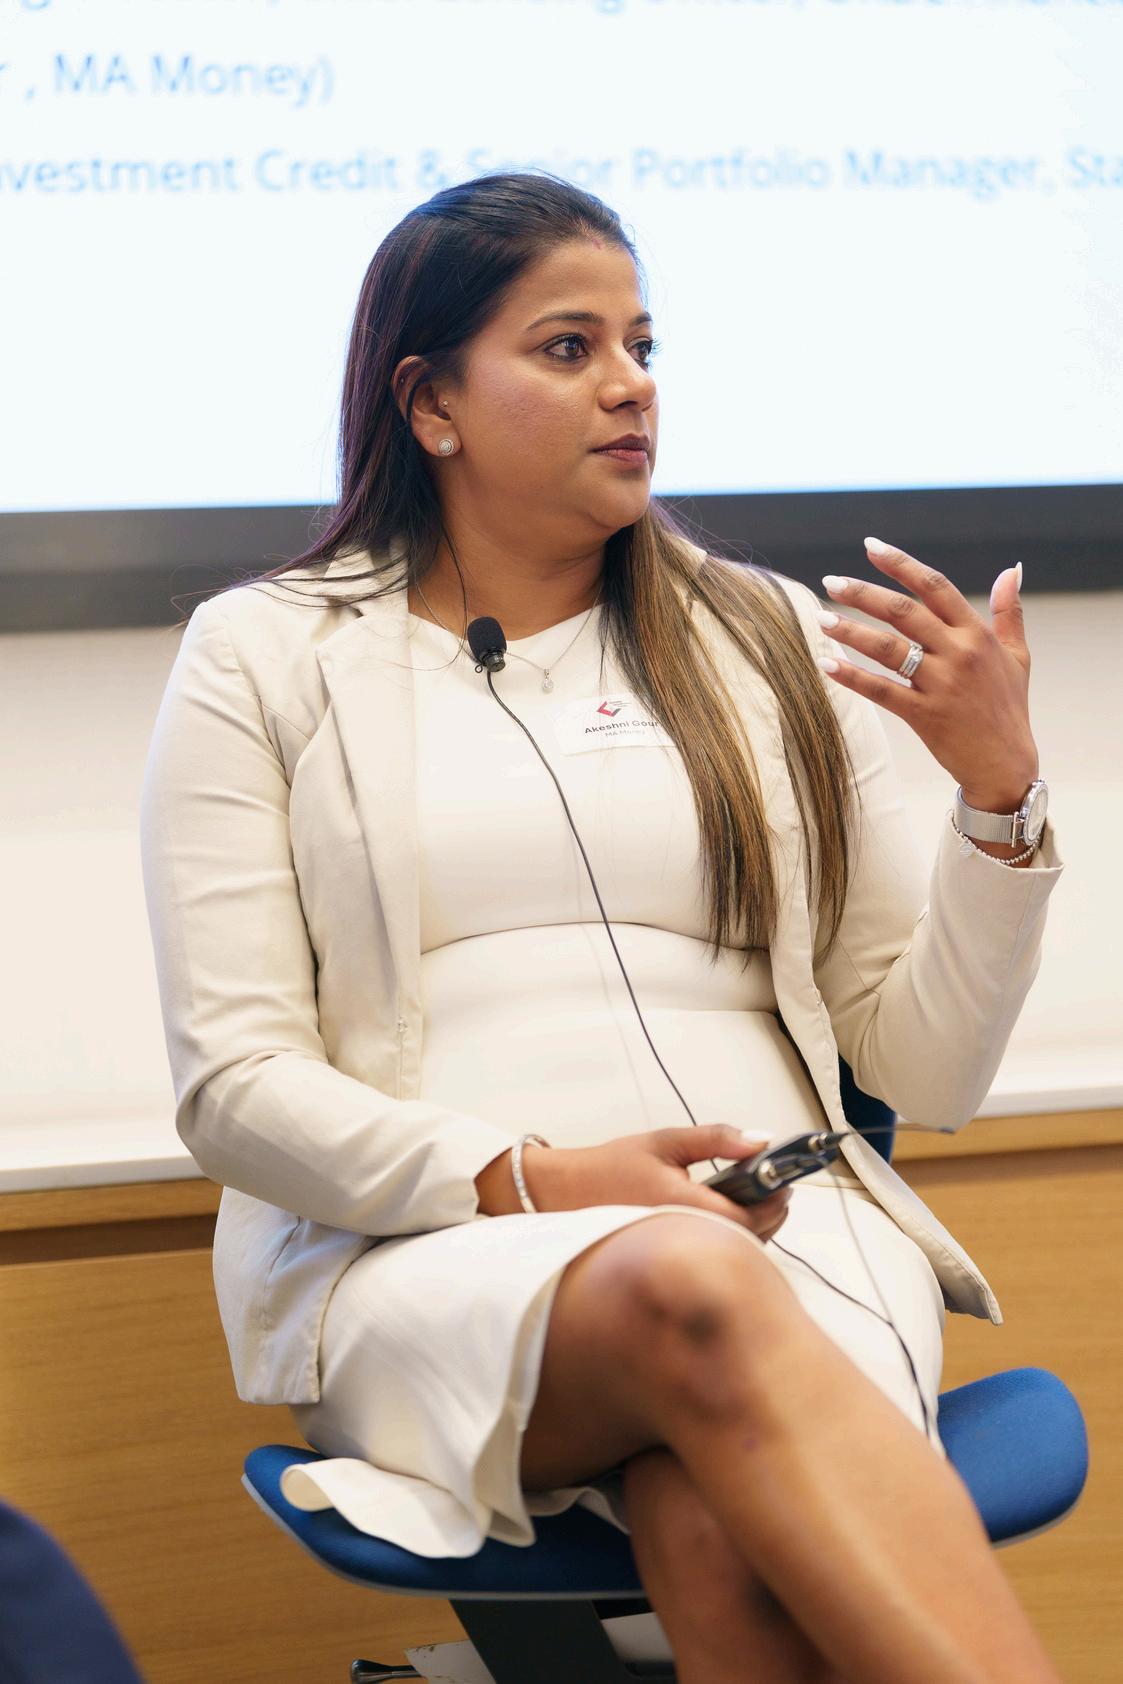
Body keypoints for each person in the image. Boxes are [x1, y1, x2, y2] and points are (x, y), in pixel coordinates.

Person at [139, 170, 1066, 1683]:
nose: (630, 384)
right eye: (569, 348)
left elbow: (926, 1071)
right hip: (430, 1255)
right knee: (691, 1284)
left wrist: (998, 801)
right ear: (430, 402)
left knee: (709, 1515)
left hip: (795, 1232)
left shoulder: (770, 638)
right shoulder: (264, 655)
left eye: (643, 345)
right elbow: (234, 1087)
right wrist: (540, 1180)